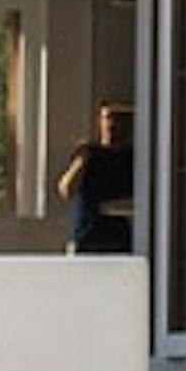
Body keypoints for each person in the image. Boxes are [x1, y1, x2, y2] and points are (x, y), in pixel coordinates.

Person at [58, 101, 137, 257]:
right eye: (108, 117)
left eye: (119, 119)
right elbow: (66, 190)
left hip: (120, 241)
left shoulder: (134, 159)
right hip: (87, 240)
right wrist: (82, 160)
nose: (112, 125)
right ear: (100, 121)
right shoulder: (89, 154)